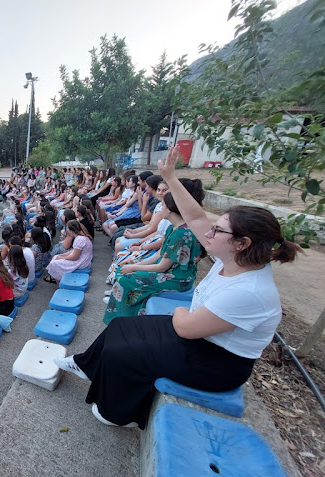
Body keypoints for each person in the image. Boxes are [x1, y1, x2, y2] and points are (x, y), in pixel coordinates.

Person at [54, 146, 301, 429]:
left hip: (217, 362)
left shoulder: (250, 291)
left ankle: (117, 413)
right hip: (202, 338)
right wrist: (170, 178)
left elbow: (184, 327)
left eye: (218, 230)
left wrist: (182, 310)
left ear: (242, 243)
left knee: (125, 352)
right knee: (122, 326)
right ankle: (87, 364)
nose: (208, 233)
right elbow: (195, 218)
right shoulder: (234, 255)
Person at [102, 179, 205, 324]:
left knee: (125, 279)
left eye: (162, 205)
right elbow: (159, 255)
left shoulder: (181, 234)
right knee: (123, 270)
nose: (160, 208)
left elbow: (162, 267)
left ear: (169, 209)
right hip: (167, 271)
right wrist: (136, 263)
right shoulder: (173, 228)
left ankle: (122, 318)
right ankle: (126, 308)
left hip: (177, 279)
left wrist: (134, 267)